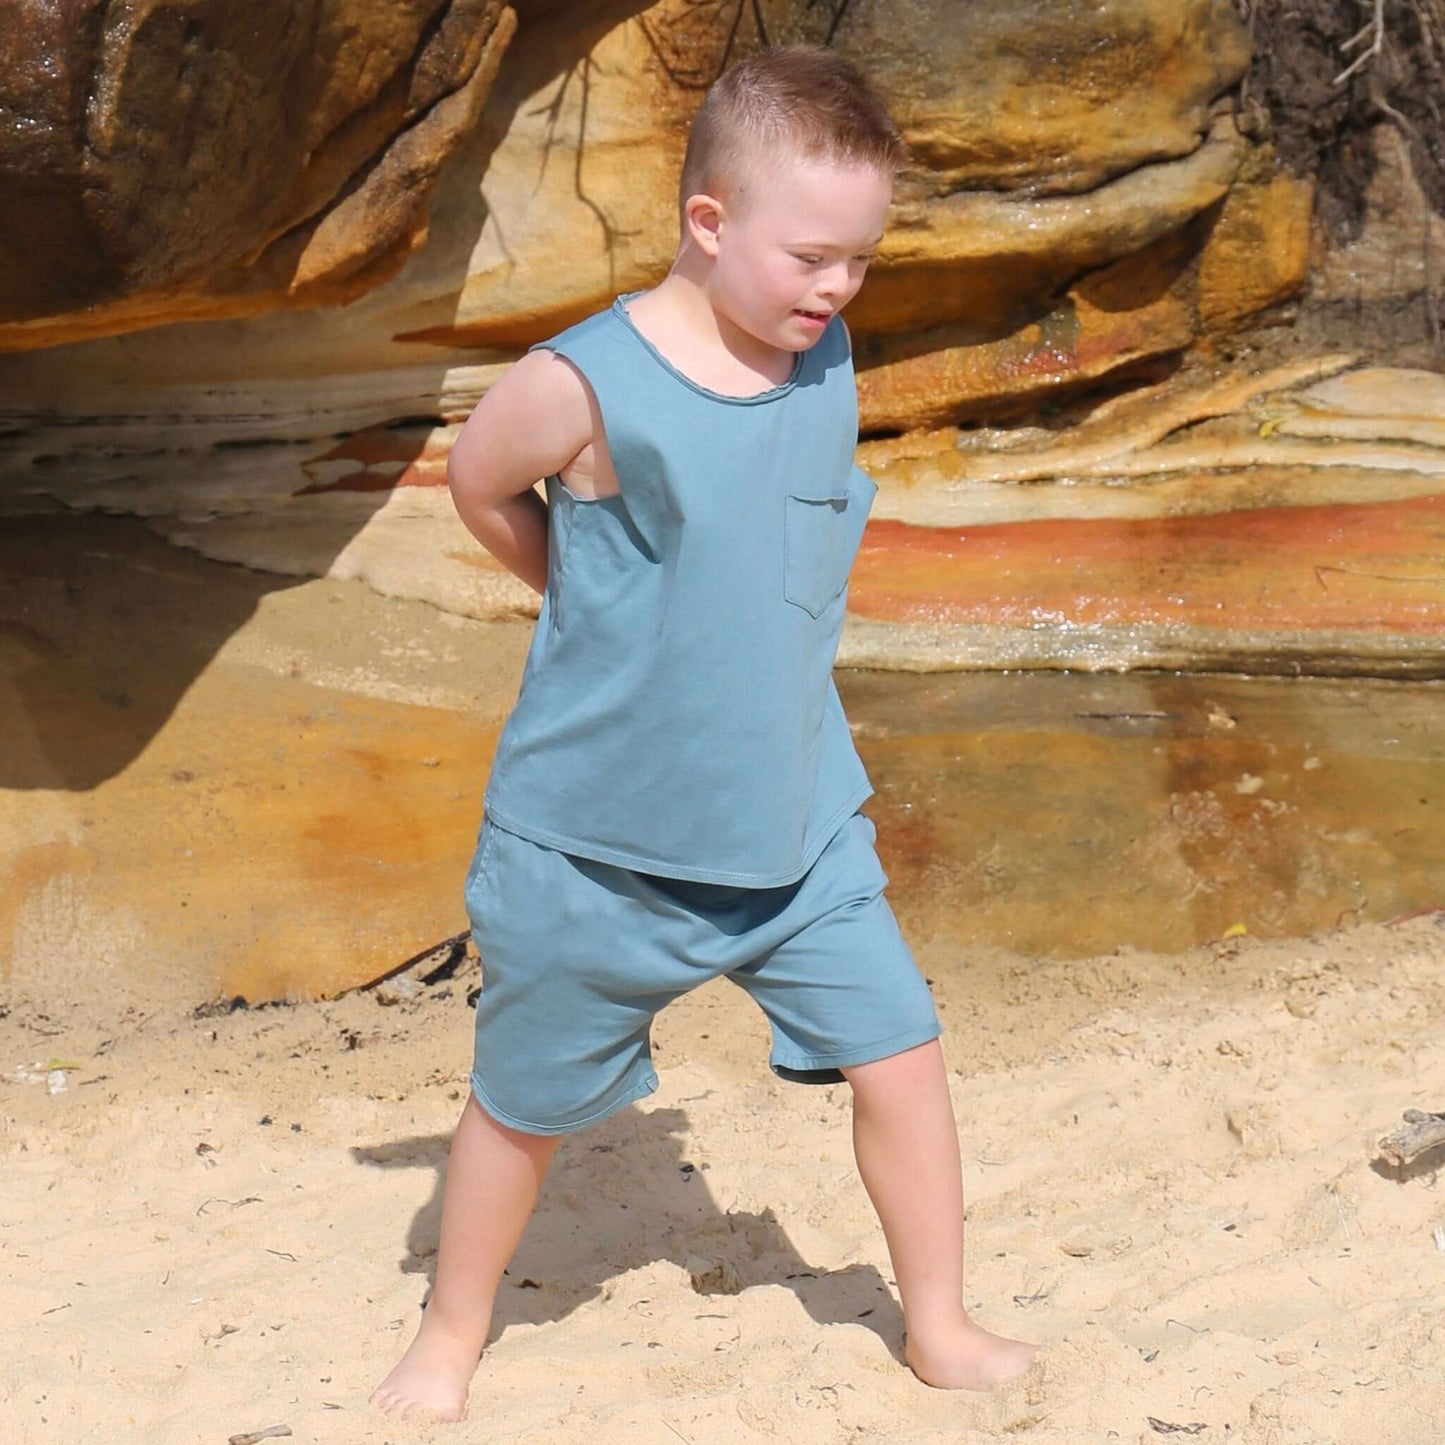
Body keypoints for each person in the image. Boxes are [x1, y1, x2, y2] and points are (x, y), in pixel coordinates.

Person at [371, 44, 1038, 1422]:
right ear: (708, 222)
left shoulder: (822, 354)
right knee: (521, 1104)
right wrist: (584, 593)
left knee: (902, 1054)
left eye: (857, 259)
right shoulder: (588, 383)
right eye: (809, 256)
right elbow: (484, 481)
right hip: (595, 848)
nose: (835, 288)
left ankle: (943, 1324)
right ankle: (449, 1331)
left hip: (795, 830)